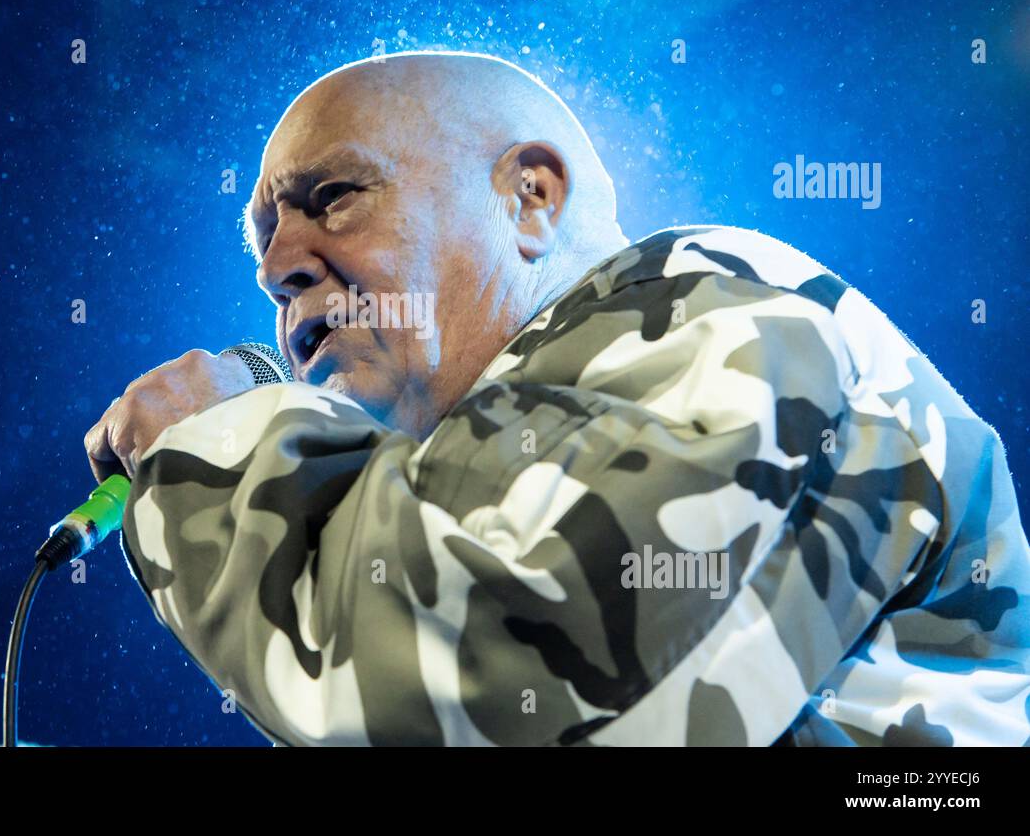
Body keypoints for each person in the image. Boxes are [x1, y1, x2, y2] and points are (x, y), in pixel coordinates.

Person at [85, 51, 1030, 746]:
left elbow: (509, 667)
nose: (279, 266)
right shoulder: (457, 481)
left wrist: (217, 459)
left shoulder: (723, 297)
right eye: (263, 241)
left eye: (332, 195)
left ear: (529, 198)